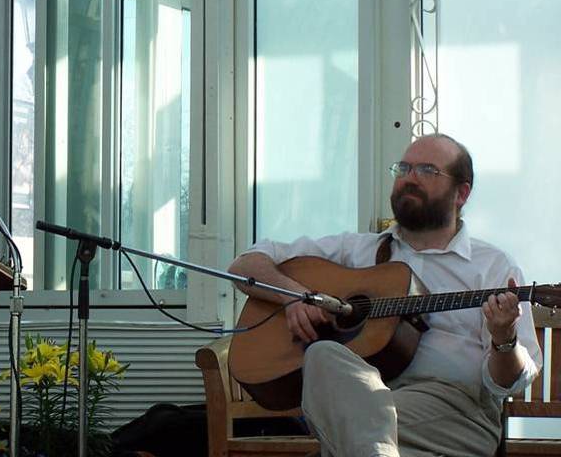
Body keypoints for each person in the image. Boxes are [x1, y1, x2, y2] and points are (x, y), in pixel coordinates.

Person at [229, 134, 542, 457]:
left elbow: (509, 384)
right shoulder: (356, 250)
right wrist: (295, 296)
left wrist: (503, 338)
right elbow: (245, 265)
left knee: (350, 426)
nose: (409, 178)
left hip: (456, 411)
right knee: (322, 354)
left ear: (461, 193)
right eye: (403, 168)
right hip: (364, 397)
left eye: (427, 170)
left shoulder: (493, 266)